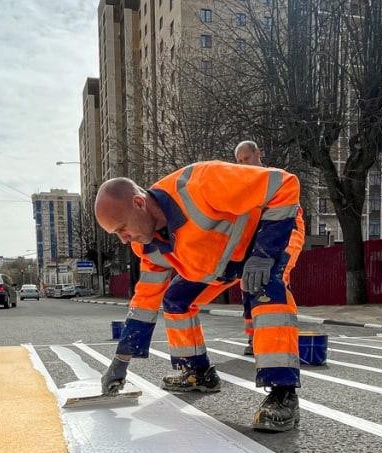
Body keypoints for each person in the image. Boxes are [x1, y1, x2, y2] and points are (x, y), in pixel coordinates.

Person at [95, 161, 305, 432]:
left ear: (138, 203)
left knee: (265, 291)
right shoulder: (146, 246)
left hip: (271, 234)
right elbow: (145, 301)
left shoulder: (200, 183)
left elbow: (284, 184)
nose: (124, 239)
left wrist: (264, 254)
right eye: (117, 234)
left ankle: (283, 394)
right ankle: (198, 372)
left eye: (122, 228)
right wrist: (120, 361)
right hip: (223, 260)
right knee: (176, 300)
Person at [234, 140, 264, 355]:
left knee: (268, 291)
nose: (243, 163)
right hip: (248, 245)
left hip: (270, 245)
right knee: (248, 292)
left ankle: (268, 339)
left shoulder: (272, 178)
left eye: (246, 158)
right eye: (239, 161)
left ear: (257, 154)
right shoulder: (239, 184)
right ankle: (254, 339)